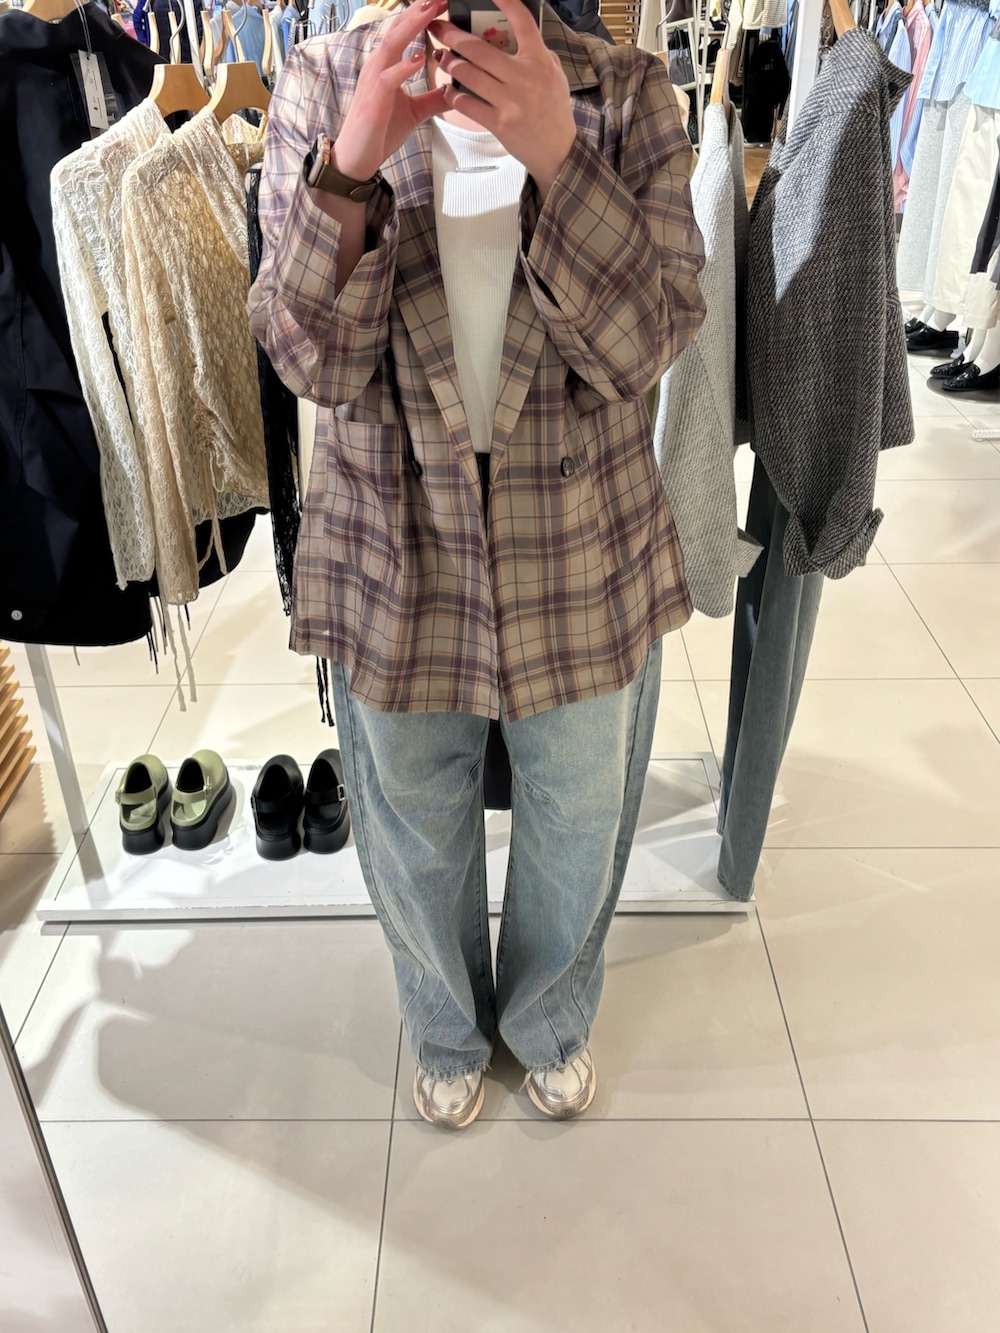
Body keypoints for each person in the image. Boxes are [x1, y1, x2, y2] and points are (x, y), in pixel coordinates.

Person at [249, 0, 705, 1128]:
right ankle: (447, 1025)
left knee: (579, 810)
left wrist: (559, 155)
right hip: (393, 534)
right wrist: (351, 167)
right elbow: (308, 360)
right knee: (412, 813)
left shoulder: (626, 91)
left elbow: (649, 343)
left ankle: (549, 1017)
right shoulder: (322, 83)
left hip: (581, 535)